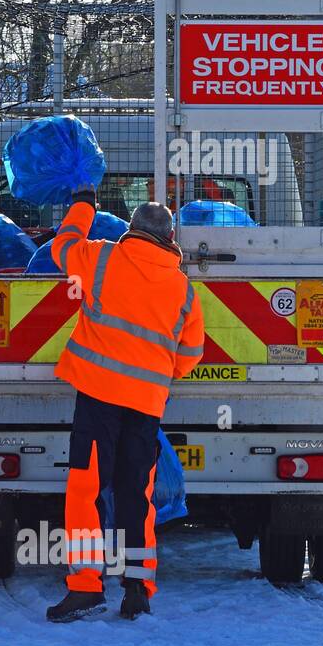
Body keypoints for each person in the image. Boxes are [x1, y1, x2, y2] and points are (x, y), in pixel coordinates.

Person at [45, 189, 204, 622]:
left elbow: (61, 247)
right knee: (138, 496)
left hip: (98, 397)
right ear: (171, 237)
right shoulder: (183, 289)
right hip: (146, 404)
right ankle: (137, 589)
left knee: (86, 491)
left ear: (131, 231)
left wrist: (82, 205)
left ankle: (85, 587)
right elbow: (190, 355)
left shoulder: (100, 259)